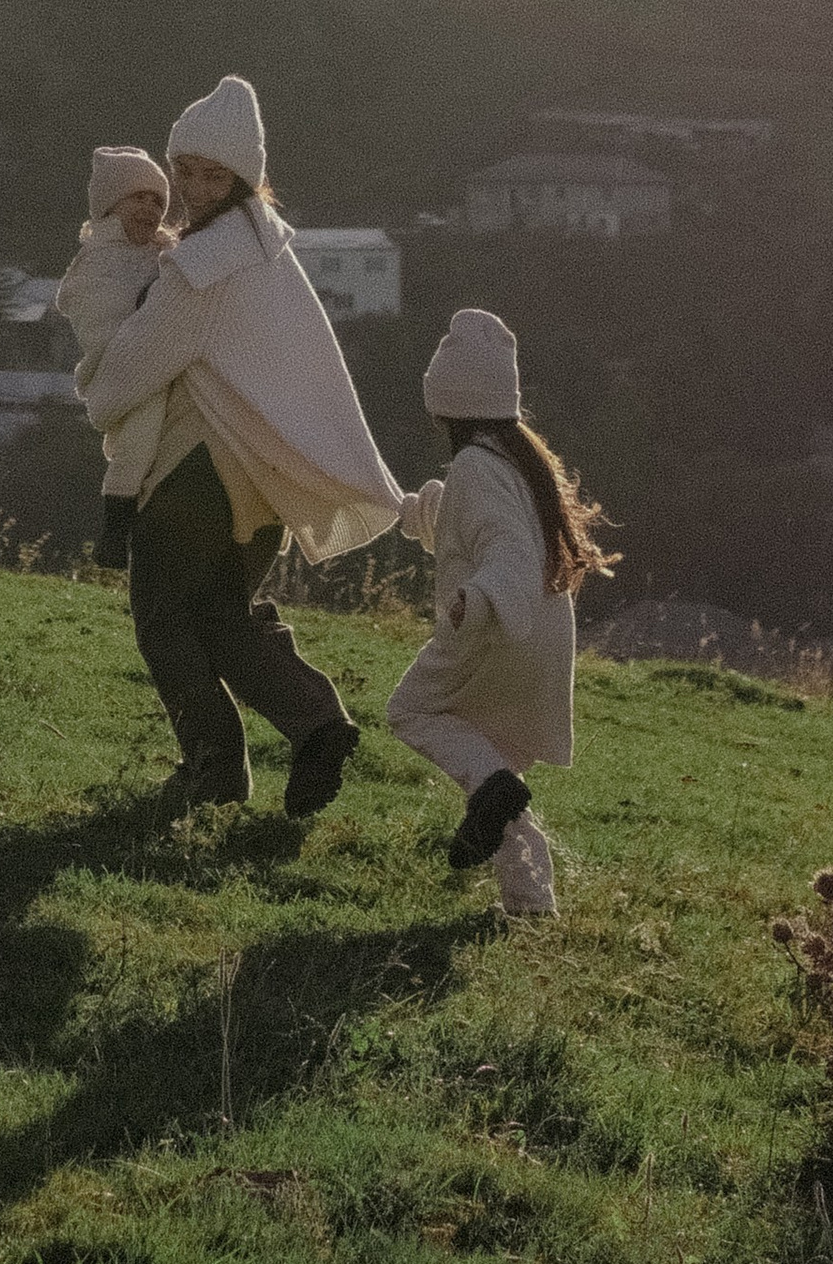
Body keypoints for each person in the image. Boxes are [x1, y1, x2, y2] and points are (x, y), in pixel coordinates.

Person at [80, 73, 404, 818]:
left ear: (243, 178)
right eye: (183, 170)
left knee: (163, 620)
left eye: (211, 174)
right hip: (262, 479)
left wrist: (95, 392)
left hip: (198, 475)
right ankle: (317, 723)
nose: (191, 188)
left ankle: (215, 771)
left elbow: (129, 370)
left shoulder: (202, 266)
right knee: (221, 619)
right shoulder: (269, 252)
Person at [385, 306, 617, 920]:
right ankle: (532, 905)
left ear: (445, 402)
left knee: (412, 711)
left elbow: (505, 548)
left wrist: (479, 597)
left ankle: (492, 791)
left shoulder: (474, 466)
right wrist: (411, 512)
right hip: (539, 636)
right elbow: (474, 525)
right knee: (496, 762)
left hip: (494, 629)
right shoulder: (514, 459)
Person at [54, 145, 177, 571]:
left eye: (157, 201)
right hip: (120, 366)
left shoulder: (166, 253)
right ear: (109, 206)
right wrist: (148, 303)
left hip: (162, 356)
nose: (150, 208)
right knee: (139, 438)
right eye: (138, 198)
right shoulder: (96, 261)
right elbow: (99, 312)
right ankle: (115, 525)